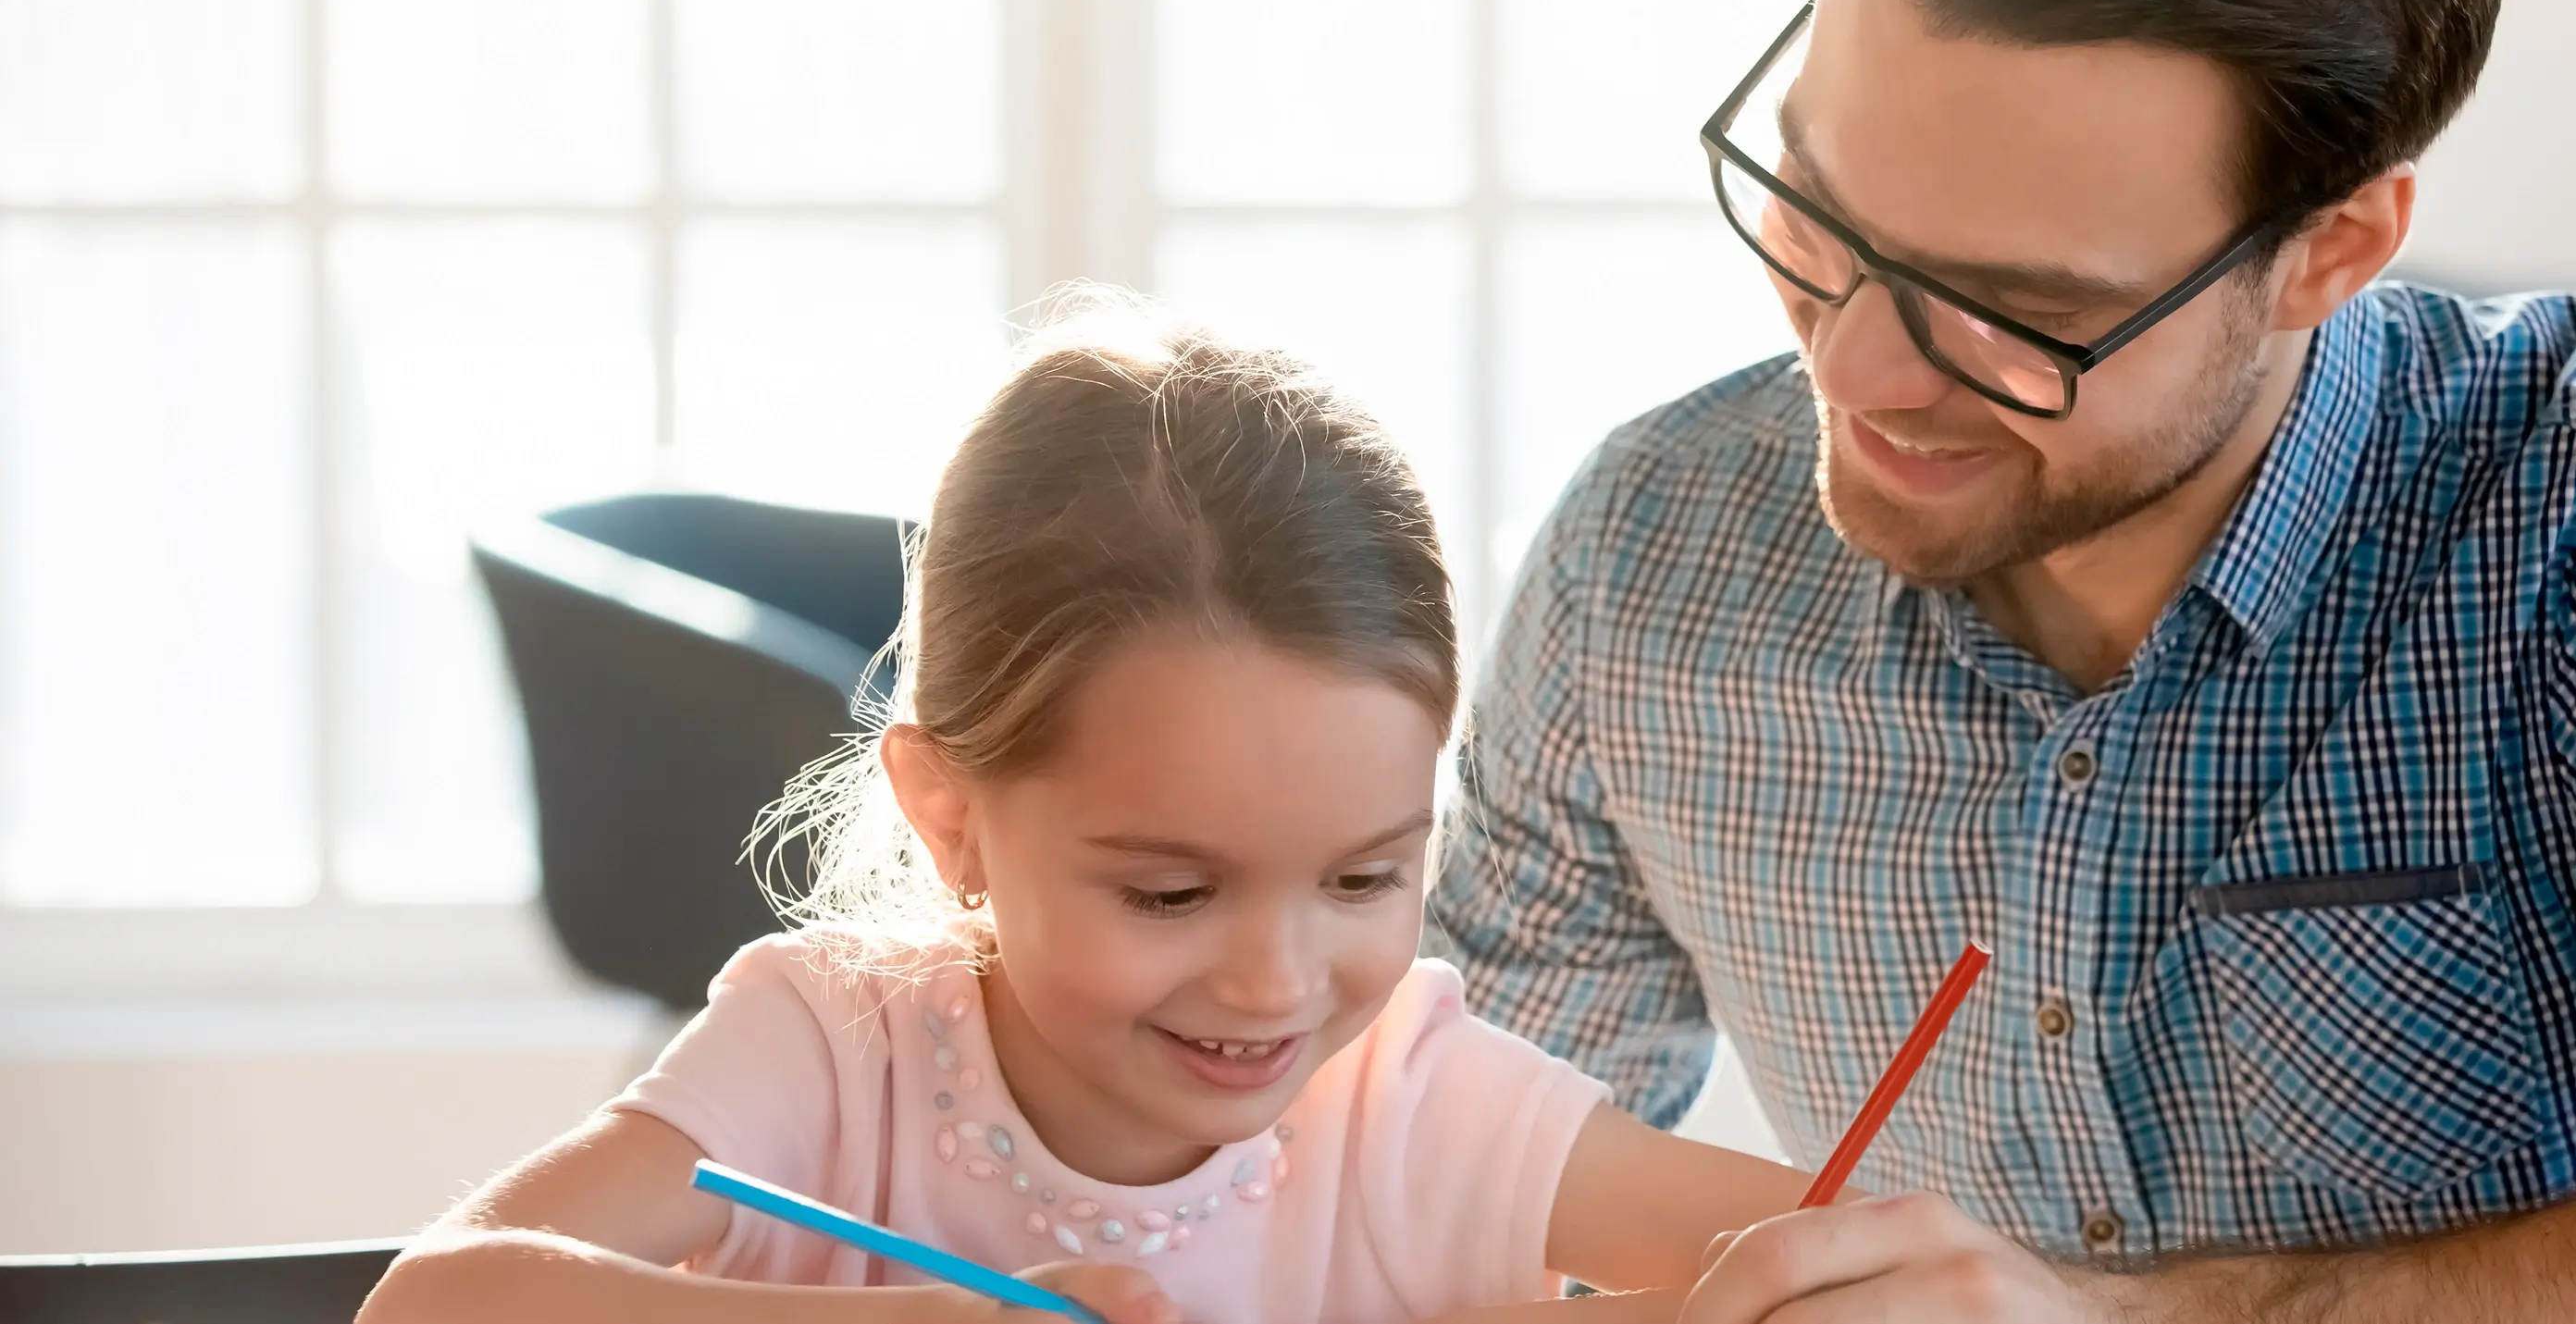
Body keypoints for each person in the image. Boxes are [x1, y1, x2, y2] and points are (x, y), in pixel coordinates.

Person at [1430, 0, 2576, 1320]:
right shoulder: (1641, 557)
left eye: (2015, 312)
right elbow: (1427, 1156)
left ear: (2329, 253)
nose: (1852, 376)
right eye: (1813, 210)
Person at [359, 303, 1812, 1324]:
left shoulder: (1415, 1103)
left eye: (1366, 879)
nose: (1276, 983)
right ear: (951, 815)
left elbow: (1845, 1268)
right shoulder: (830, 1052)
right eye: (1170, 896)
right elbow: (436, 1303)